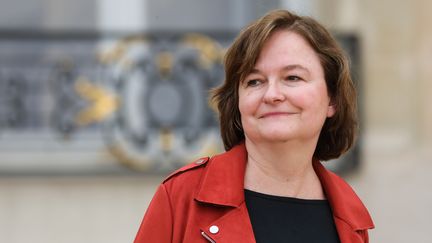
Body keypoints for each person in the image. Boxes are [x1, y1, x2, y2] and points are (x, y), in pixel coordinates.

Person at [134, 9, 374, 243]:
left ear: (331, 99)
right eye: (255, 81)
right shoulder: (180, 196)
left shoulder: (351, 218)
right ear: (238, 100)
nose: (272, 94)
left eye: (292, 78)